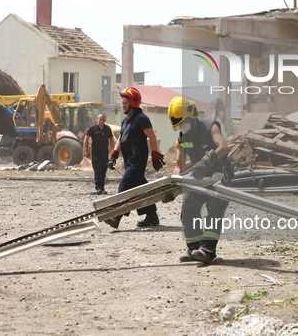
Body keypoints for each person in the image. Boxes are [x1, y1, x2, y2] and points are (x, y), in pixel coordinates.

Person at [168, 96, 234, 264]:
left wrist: (207, 160)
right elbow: (179, 165)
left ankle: (208, 250)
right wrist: (172, 188)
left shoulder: (209, 127)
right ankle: (193, 248)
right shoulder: (182, 137)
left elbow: (223, 147)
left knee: (215, 209)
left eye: (182, 122)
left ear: (190, 116)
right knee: (188, 207)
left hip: (219, 176)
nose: (181, 126)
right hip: (199, 178)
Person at [106, 87, 165, 228]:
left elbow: (152, 136)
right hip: (129, 160)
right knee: (142, 187)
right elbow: (120, 138)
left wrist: (155, 155)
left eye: (125, 102)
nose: (123, 105)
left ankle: (116, 217)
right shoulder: (125, 121)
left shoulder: (141, 119)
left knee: (125, 185)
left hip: (137, 161)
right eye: (122, 102)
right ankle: (152, 216)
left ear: (133, 102)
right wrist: (113, 155)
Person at [84, 113, 115, 195]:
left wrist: (113, 150)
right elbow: (86, 139)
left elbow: (111, 139)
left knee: (103, 170)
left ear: (105, 120)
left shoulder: (107, 128)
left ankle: (102, 187)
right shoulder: (92, 128)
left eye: (103, 120)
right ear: (97, 119)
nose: (102, 121)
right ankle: (98, 188)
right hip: (96, 154)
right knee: (98, 171)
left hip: (105, 153)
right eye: (100, 119)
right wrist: (86, 151)